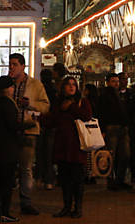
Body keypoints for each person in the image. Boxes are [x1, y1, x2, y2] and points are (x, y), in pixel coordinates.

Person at [0, 76, 32, 222]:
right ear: (8, 88)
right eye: (12, 87)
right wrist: (29, 124)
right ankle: (4, 212)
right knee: (6, 183)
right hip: (5, 150)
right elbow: (12, 126)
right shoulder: (7, 104)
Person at [42, 75, 92, 219]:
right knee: (64, 179)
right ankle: (66, 206)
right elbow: (53, 120)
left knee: (77, 179)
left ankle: (78, 207)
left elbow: (87, 116)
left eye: (73, 85)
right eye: (68, 84)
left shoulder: (82, 102)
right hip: (62, 145)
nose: (71, 87)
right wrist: (38, 118)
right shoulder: (59, 102)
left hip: (77, 146)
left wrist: (72, 106)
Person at [8, 52, 50, 215]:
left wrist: (31, 104)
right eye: (10, 64)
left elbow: (46, 106)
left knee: (26, 168)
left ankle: (26, 201)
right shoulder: (7, 84)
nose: (11, 67)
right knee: (9, 166)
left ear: (23, 66)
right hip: (10, 130)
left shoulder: (34, 85)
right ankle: (5, 200)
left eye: (15, 64)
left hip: (28, 129)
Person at [96, 72, 131, 190]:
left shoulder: (122, 95)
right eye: (113, 81)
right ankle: (111, 180)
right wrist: (103, 129)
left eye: (117, 81)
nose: (116, 84)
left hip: (123, 127)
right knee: (111, 155)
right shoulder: (105, 95)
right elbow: (101, 112)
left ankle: (120, 179)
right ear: (108, 83)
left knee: (125, 154)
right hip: (111, 128)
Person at [38, 68, 58, 190]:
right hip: (52, 124)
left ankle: (41, 177)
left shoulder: (41, 89)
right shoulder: (54, 90)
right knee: (49, 153)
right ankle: (49, 179)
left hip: (43, 123)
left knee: (41, 152)